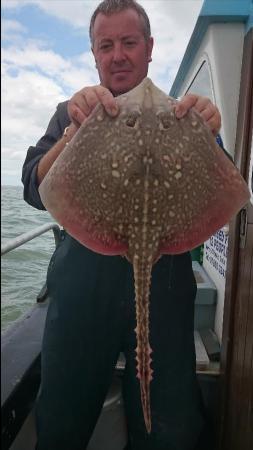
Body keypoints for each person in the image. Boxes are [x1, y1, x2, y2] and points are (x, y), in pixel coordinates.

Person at [22, 1, 222, 449]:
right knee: (60, 424)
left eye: (128, 43)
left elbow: (225, 187)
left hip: (165, 286)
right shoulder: (69, 114)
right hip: (81, 293)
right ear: (94, 54)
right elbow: (34, 189)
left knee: (169, 430)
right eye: (106, 45)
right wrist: (75, 130)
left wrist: (207, 132)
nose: (117, 55)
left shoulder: (182, 115)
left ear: (149, 48)